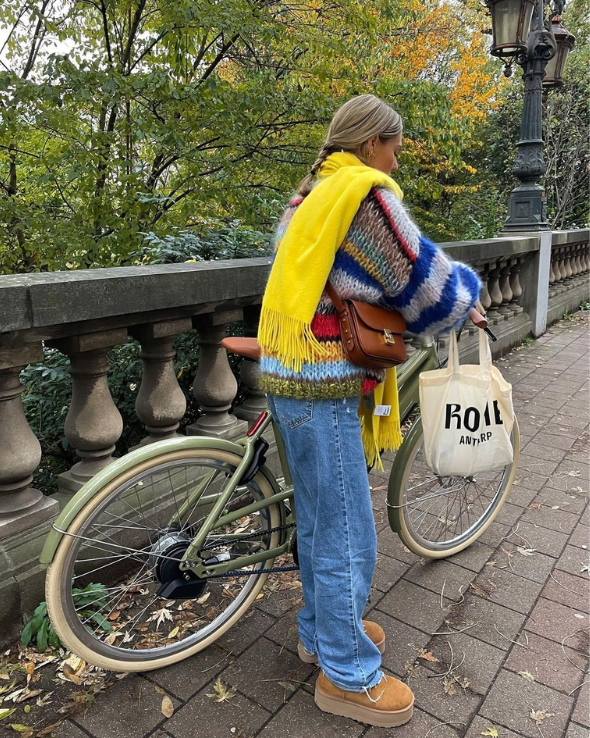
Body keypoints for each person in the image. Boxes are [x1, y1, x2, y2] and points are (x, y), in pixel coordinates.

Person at [257, 94, 481, 728]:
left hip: (287, 368)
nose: (397, 158)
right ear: (371, 142)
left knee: (320, 516)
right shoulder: (363, 194)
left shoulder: (307, 198)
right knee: (346, 527)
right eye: (395, 145)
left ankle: (320, 633)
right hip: (324, 380)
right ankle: (347, 676)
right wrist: (469, 302)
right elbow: (418, 278)